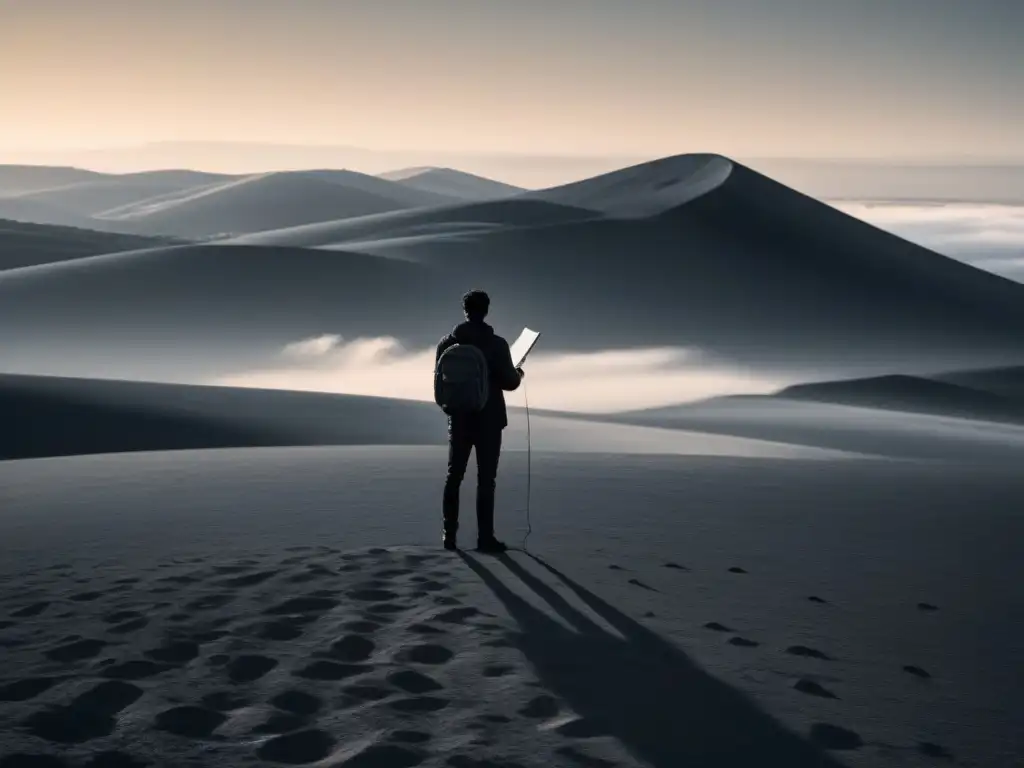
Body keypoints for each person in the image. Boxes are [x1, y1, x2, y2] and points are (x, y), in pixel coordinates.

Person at [436, 290, 523, 552]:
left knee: (454, 476)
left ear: (465, 310)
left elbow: (441, 380)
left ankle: (449, 536)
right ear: (486, 310)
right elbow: (510, 382)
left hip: (459, 418)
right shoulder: (497, 344)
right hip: (489, 418)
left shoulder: (447, 344)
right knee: (486, 480)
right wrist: (518, 371)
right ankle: (485, 538)